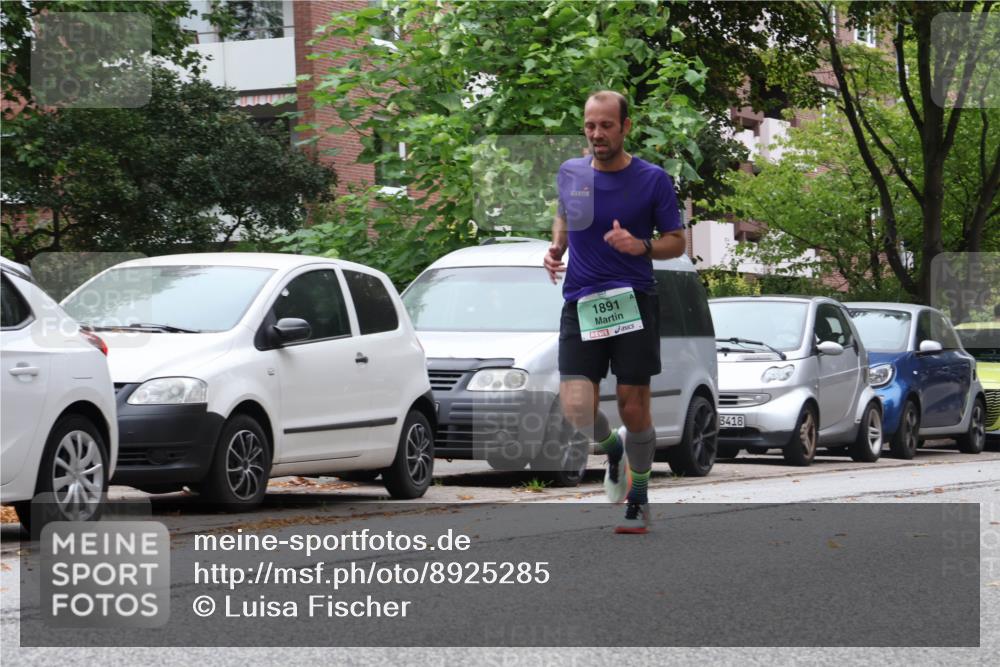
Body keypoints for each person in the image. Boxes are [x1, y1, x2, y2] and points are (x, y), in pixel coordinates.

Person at [544, 90, 687, 534]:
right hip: (582, 301)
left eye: (606, 125)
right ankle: (611, 450)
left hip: (633, 302)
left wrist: (641, 245)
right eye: (590, 125)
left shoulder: (653, 180)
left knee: (633, 408)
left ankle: (638, 494)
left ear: (626, 126)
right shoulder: (571, 172)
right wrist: (556, 247)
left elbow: (677, 241)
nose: (596, 134)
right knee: (575, 406)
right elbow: (565, 214)